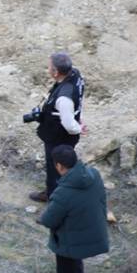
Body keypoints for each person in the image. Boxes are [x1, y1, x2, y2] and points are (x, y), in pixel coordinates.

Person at [39, 145, 109, 273]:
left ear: (60, 166)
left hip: (70, 241)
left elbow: (48, 220)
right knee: (77, 258)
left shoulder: (64, 193)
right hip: (93, 232)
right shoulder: (94, 174)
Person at [28, 52, 86, 203]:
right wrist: (78, 119)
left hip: (58, 138)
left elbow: (68, 124)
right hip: (64, 135)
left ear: (56, 73)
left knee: (56, 167)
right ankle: (59, 191)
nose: (47, 69)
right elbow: (78, 101)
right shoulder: (76, 76)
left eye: (49, 67)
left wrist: (78, 127)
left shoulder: (63, 99)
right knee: (63, 165)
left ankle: (54, 198)